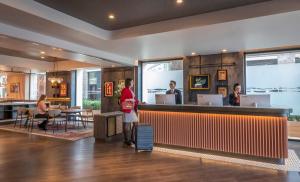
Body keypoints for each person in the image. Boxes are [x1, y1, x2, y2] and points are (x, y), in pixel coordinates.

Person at [120, 78, 139, 146]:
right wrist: (131, 100)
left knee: (135, 123)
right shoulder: (125, 90)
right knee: (127, 125)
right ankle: (127, 140)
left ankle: (132, 138)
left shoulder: (130, 90)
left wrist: (138, 101)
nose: (133, 83)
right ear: (129, 83)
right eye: (132, 82)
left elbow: (134, 99)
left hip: (132, 109)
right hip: (128, 108)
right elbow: (122, 99)